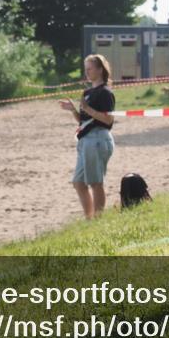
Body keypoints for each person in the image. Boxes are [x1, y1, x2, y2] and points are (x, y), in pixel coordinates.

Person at [60, 54, 115, 219]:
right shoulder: (87, 92)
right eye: (86, 69)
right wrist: (73, 110)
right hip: (86, 139)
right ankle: (90, 218)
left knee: (95, 182)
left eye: (90, 68)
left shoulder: (105, 92)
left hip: (98, 139)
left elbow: (108, 119)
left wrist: (88, 109)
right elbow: (83, 120)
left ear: (100, 69)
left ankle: (98, 219)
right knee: (78, 182)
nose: (87, 72)